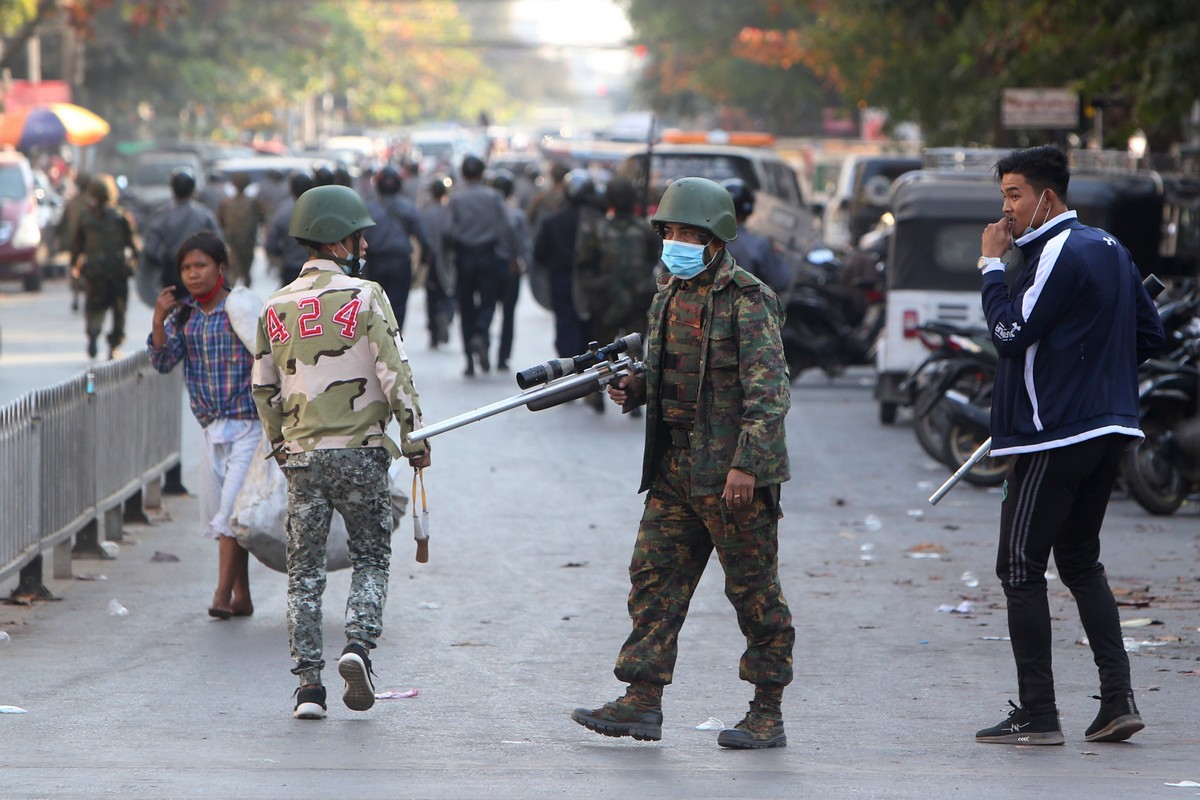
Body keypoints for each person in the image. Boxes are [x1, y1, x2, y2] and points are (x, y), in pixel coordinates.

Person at [571, 177, 794, 750]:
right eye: (670, 232)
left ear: (716, 239)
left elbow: (768, 393)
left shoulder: (749, 300)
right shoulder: (667, 296)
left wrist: (747, 466)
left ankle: (766, 712)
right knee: (653, 583)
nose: (677, 242)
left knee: (755, 595)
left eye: (689, 233)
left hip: (731, 478)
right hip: (674, 470)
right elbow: (669, 372)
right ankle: (641, 700)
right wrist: (638, 387)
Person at [973, 145, 1164, 746]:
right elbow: (1148, 333)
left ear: (1046, 198)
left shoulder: (1057, 250)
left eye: (1013, 196)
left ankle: (1039, 712)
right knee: (1080, 562)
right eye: (1004, 196)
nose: (1005, 212)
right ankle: (1116, 701)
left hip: (1054, 435)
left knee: (1020, 567)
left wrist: (989, 267)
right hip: (1107, 430)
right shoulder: (1110, 247)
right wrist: (1094, 373)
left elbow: (1010, 334)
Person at [251, 184, 431, 721]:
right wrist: (415, 438)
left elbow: (263, 389)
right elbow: (394, 372)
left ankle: (309, 687)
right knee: (371, 557)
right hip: (362, 452)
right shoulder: (366, 296)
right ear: (341, 240)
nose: (364, 246)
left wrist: (281, 446)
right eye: (359, 237)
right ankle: (358, 647)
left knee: (303, 571)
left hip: (303, 457)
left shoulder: (276, 305)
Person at [147, 231, 261, 620]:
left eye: (201, 266)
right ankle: (242, 595)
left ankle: (220, 594)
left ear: (221, 268)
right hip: (212, 429)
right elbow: (163, 362)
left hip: (249, 426)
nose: (193, 275)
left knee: (230, 512)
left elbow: (270, 359)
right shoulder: (187, 317)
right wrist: (159, 319)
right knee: (226, 515)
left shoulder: (240, 309)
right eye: (186, 268)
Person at [574, 174, 661, 361]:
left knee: (603, 359)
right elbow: (584, 269)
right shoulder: (644, 229)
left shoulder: (599, 229)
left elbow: (583, 268)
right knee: (627, 358)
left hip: (623, 301)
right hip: (614, 302)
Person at [446, 154, 516, 376]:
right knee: (488, 303)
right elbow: (508, 227)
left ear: (463, 174)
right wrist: (509, 254)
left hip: (464, 256)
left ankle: (469, 359)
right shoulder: (493, 197)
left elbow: (447, 230)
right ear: (482, 173)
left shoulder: (455, 199)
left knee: (465, 307)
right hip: (489, 255)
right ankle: (480, 331)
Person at [71, 174, 139, 360]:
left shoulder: (85, 218)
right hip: (117, 271)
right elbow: (132, 245)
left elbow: (77, 247)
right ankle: (114, 345)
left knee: (94, 307)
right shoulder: (121, 217)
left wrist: (74, 266)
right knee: (119, 310)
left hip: (95, 272)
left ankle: (94, 333)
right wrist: (136, 263)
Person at [533, 169, 596, 363]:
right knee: (590, 325)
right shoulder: (597, 223)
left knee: (565, 325)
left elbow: (539, 254)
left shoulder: (553, 222)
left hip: (562, 280)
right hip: (589, 282)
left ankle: (569, 367)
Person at [363, 165, 434, 333]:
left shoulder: (368, 209)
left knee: (375, 307)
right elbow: (424, 238)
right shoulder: (408, 207)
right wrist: (425, 258)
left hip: (375, 264)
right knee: (398, 306)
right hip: (400, 264)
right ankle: (395, 341)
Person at [141, 168, 222, 299]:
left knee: (174, 312)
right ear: (193, 189)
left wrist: (160, 265)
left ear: (172, 189)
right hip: (201, 272)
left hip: (172, 272)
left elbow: (150, 249)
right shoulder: (205, 215)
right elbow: (219, 245)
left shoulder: (162, 215)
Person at [489, 169, 532, 371]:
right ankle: (502, 356)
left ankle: (483, 344)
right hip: (510, 267)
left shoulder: (486, 216)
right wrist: (524, 263)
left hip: (490, 267)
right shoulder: (517, 215)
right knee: (508, 314)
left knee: (486, 309)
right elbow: (523, 243)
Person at [721, 179, 791, 295]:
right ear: (748, 209)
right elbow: (781, 281)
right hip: (747, 310)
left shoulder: (703, 240)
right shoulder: (759, 244)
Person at [419, 174, 456, 349]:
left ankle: (433, 334)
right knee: (448, 294)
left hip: (429, 260)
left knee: (431, 297)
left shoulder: (425, 212)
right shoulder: (448, 212)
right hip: (445, 260)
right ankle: (446, 316)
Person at [217, 172, 268, 288]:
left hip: (232, 242)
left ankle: (231, 297)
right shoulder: (253, 203)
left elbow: (220, 221)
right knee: (246, 272)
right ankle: (246, 295)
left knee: (233, 272)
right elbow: (263, 217)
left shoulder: (226, 203)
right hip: (248, 241)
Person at [265, 171, 315, 288]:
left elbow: (271, 244)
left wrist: (284, 254)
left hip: (291, 267)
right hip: (317, 268)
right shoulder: (320, 210)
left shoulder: (282, 212)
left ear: (292, 189)